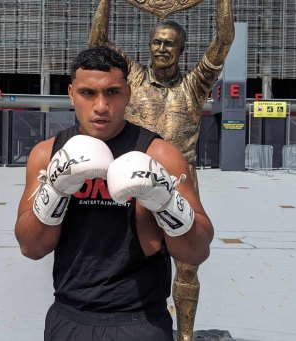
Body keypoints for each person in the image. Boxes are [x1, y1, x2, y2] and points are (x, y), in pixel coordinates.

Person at [15, 46, 214, 341]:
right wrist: (55, 190)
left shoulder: (160, 154)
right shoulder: (47, 154)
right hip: (70, 315)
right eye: (87, 93)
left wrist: (166, 202)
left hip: (140, 319)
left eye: (112, 92)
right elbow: (31, 247)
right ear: (71, 94)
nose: (100, 106)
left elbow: (197, 250)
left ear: (128, 94)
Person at [88, 0, 234, 340]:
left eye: (169, 44)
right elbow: (98, 45)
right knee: (128, 254)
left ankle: (184, 335)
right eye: (156, 42)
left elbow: (223, 41)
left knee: (187, 264)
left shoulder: (194, 86)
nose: (161, 49)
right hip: (131, 179)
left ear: (181, 50)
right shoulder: (132, 77)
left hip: (181, 179)